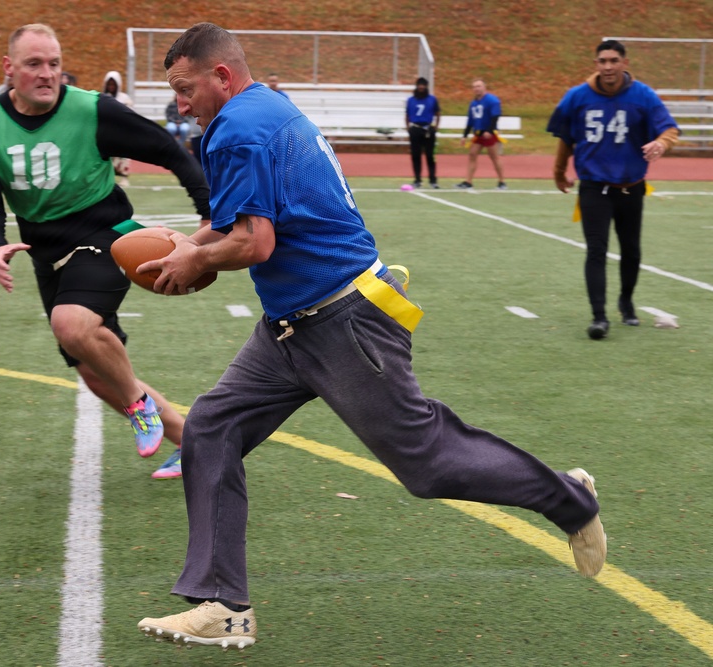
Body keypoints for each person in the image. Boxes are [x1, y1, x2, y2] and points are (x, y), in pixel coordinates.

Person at [136, 23, 606, 649]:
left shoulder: (237, 128)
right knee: (212, 429)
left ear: (220, 76)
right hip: (292, 325)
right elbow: (237, 223)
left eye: (185, 89)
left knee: (427, 463)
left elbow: (254, 241)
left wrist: (193, 260)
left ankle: (569, 498)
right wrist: (182, 242)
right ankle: (224, 604)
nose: (182, 105)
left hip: (341, 319)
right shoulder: (263, 107)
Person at [0, 24, 212, 480]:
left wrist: (207, 209)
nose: (47, 74)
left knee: (71, 324)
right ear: (9, 68)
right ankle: (196, 445)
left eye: (54, 64)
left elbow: (167, 149)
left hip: (105, 233)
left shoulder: (91, 110)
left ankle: (141, 408)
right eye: (34, 64)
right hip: (46, 252)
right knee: (95, 372)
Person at [547, 40, 679, 341]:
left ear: (624, 62)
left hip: (631, 186)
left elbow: (669, 128)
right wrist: (558, 172)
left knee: (631, 249)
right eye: (603, 61)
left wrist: (662, 143)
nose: (608, 66)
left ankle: (626, 303)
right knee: (596, 249)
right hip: (594, 186)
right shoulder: (576, 97)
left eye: (614, 60)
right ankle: (599, 316)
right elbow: (566, 139)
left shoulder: (642, 95)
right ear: (596, 63)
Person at [456, 78, 505, 190]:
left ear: (484, 87)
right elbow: (470, 121)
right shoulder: (473, 103)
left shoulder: (492, 100)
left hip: (489, 133)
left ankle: (502, 181)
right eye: (474, 87)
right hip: (478, 133)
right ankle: (468, 181)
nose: (477, 89)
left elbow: (495, 116)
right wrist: (464, 135)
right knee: (472, 154)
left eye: (479, 86)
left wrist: (490, 130)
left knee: (494, 157)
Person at [405, 76, 440, 188]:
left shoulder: (432, 99)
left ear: (426, 87)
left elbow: (437, 113)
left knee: (430, 155)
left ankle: (433, 180)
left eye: (423, 85)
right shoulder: (411, 100)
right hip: (415, 128)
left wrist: (436, 127)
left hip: (428, 129)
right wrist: (409, 128)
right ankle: (417, 179)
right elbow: (407, 115)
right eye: (419, 85)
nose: (421, 87)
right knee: (416, 155)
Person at [102, 70, 133, 187]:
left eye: (113, 85)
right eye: (109, 84)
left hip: (121, 131)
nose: (111, 87)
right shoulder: (103, 98)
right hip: (107, 132)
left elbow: (130, 115)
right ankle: (108, 177)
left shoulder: (124, 99)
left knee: (123, 155)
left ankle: (124, 177)